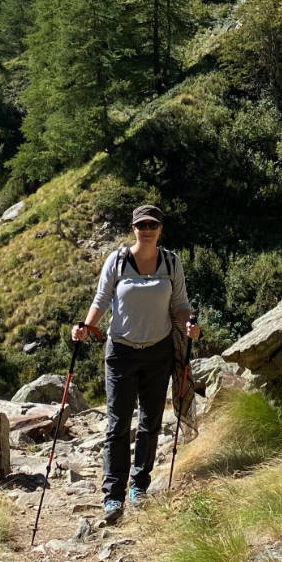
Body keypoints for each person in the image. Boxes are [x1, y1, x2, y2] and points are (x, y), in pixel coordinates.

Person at [72, 203, 200, 523]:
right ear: (134, 228)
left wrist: (189, 324)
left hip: (158, 353)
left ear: (159, 229)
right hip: (121, 354)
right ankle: (113, 497)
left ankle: (139, 487)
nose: (147, 230)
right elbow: (101, 299)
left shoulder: (171, 262)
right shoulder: (117, 261)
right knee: (117, 425)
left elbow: (180, 304)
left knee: (150, 422)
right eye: (141, 225)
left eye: (152, 225)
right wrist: (86, 327)